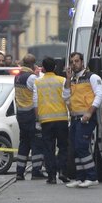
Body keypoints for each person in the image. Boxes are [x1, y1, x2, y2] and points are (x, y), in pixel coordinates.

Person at [63, 52, 102, 188]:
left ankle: (92, 176)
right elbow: (65, 96)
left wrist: (89, 112)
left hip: (86, 118)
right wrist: (68, 79)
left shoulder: (92, 77)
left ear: (82, 62)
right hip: (74, 118)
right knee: (75, 148)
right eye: (72, 62)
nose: (74, 64)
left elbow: (99, 95)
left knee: (81, 146)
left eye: (76, 61)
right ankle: (80, 178)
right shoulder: (72, 79)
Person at [36, 56, 69, 184]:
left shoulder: (38, 82)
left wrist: (37, 119)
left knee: (48, 149)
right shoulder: (62, 80)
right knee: (63, 146)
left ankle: (51, 176)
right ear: (55, 67)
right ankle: (62, 171)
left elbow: (35, 102)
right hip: (61, 119)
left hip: (46, 120)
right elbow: (67, 97)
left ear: (43, 68)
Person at [13, 54, 45, 180]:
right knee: (36, 143)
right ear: (33, 65)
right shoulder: (32, 78)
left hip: (20, 113)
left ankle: (19, 172)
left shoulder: (17, 76)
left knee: (24, 143)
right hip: (31, 114)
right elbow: (37, 96)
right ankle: (36, 171)